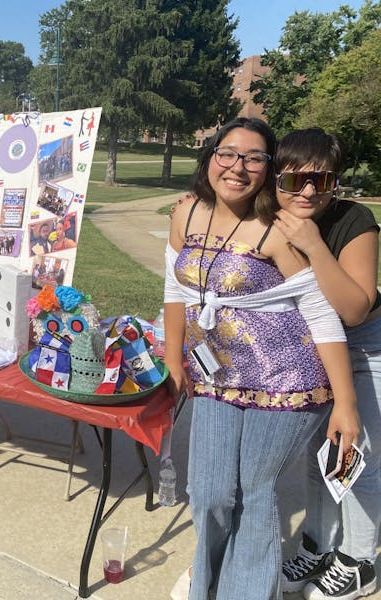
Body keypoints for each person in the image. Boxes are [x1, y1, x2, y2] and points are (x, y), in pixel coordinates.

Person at [163, 118, 360, 599]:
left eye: (254, 157)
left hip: (288, 379)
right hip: (216, 374)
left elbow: (321, 313)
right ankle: (205, 584)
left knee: (253, 492)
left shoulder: (277, 229)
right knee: (209, 493)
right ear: (210, 157)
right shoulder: (185, 212)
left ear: (267, 170)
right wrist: (173, 357)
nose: (238, 166)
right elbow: (175, 286)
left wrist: (346, 404)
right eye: (227, 153)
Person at [273, 129, 380, 600]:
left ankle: (360, 559)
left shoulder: (353, 219)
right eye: (297, 180)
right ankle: (319, 544)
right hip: (311, 349)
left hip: (362, 349)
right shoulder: (267, 216)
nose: (310, 191)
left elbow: (355, 308)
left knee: (359, 457)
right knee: (321, 459)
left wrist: (314, 246)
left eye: (322, 179)